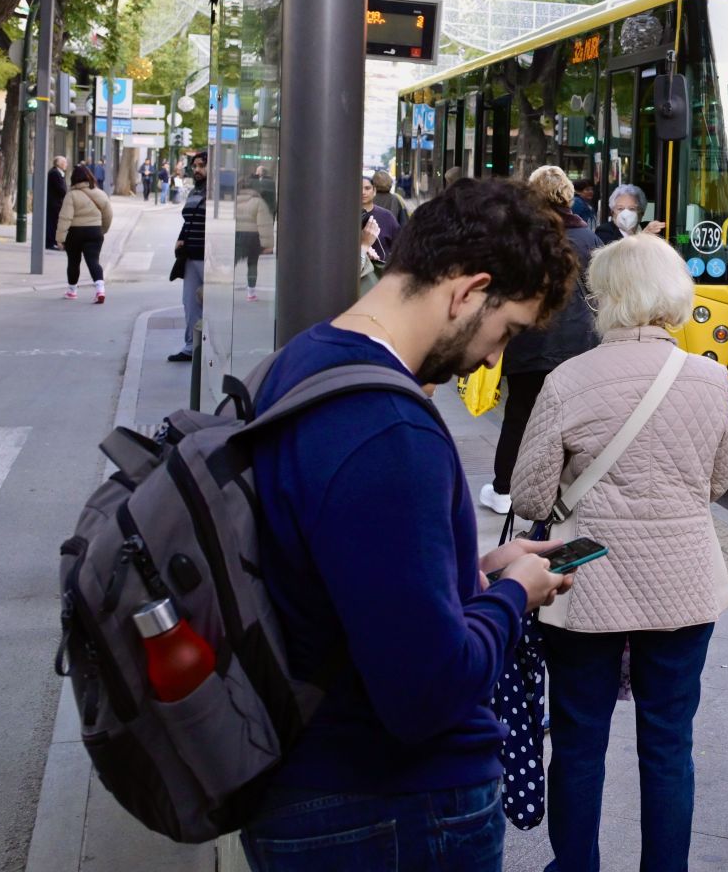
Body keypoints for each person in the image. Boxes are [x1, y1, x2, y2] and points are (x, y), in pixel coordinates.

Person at [239, 178, 580, 871]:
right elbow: (427, 692)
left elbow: (344, 566)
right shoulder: (391, 432)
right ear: (466, 292)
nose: (492, 359)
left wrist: (467, 571)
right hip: (389, 810)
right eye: (505, 331)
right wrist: (515, 595)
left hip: (315, 783)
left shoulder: (303, 360)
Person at [511, 232, 728, 872]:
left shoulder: (567, 380)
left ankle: (576, 865)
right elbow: (717, 483)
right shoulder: (710, 379)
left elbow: (530, 496)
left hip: (583, 584)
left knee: (580, 742)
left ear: (603, 299)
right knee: (670, 743)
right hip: (684, 584)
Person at [480, 166, 601, 516]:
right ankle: (566, 490)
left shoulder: (518, 237)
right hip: (577, 344)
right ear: (568, 196)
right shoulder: (587, 238)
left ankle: (504, 490)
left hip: (530, 342)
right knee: (573, 419)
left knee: (519, 415)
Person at [168, 152, 208, 362]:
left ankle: (211, 347)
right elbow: (188, 220)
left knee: (213, 302)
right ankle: (192, 346)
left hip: (208, 256)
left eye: (202, 166)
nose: (197, 170)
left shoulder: (217, 192)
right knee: (190, 302)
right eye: (195, 166)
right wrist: (181, 239)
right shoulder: (195, 191)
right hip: (191, 255)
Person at [55, 166, 112, 304]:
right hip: (94, 231)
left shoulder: (71, 195)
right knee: (93, 261)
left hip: (75, 233)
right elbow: (108, 215)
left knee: (74, 262)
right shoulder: (100, 193)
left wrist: (60, 238)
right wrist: (102, 230)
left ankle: (72, 291)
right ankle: (100, 289)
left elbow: (65, 218)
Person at [234, 175, 275, 303]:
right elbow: (264, 225)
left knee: (233, 262)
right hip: (253, 237)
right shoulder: (258, 202)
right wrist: (268, 245)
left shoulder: (234, 201)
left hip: (237, 235)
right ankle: (251, 293)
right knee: (252, 264)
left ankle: (225, 286)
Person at [595, 182, 664, 244]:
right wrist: (643, 236)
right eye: (620, 209)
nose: (626, 214)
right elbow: (615, 254)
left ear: (641, 214)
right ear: (612, 213)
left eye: (632, 209)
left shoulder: (650, 229)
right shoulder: (604, 231)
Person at [361, 176, 401, 263]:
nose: (363, 192)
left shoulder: (387, 216)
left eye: (367, 188)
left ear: (374, 191)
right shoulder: (346, 217)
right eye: (359, 189)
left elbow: (400, 245)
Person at [44, 155, 69, 250]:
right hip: (54, 204)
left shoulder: (59, 173)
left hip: (56, 203)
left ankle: (53, 242)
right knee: (52, 223)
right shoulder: (55, 173)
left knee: (55, 223)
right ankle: (50, 243)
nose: (66, 164)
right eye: (64, 162)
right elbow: (61, 189)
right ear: (58, 163)